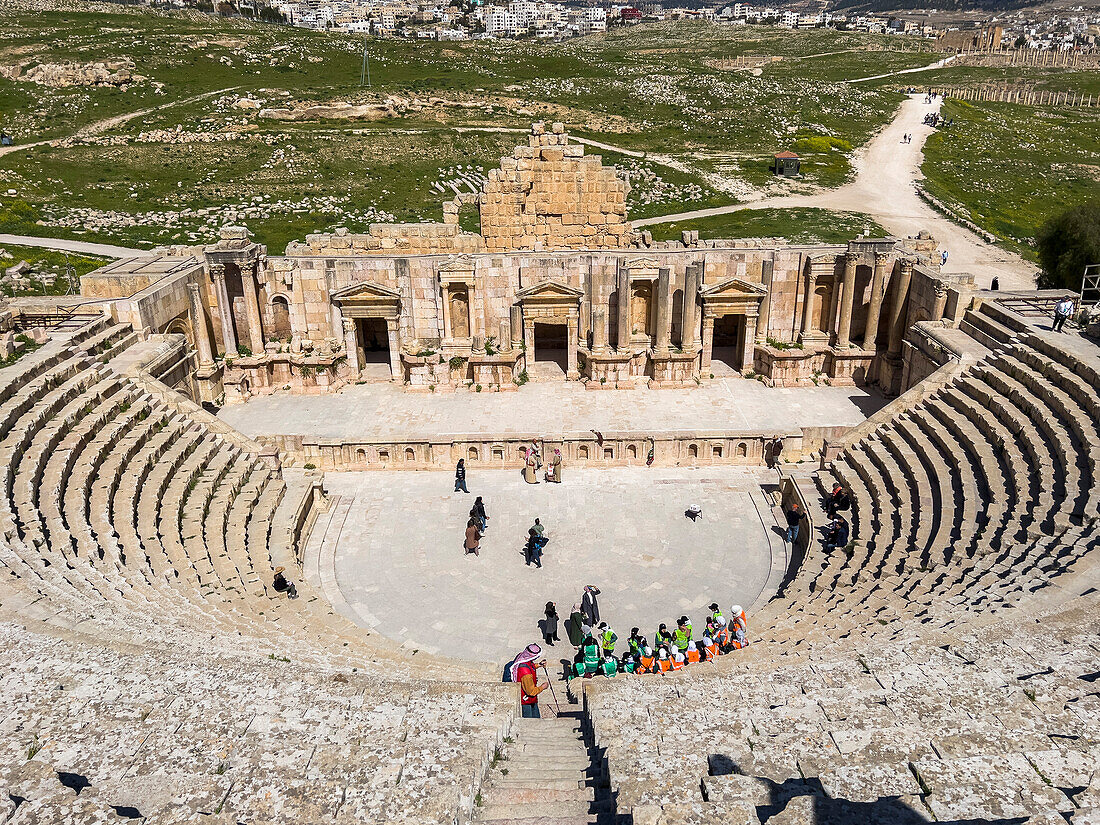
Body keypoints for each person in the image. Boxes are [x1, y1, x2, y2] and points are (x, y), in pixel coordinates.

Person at [510, 644, 548, 717]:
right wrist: (543, 687)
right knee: (529, 718)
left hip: (528, 697)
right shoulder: (526, 674)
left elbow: (529, 665)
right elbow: (531, 692)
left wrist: (538, 665)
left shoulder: (522, 656)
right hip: (526, 700)